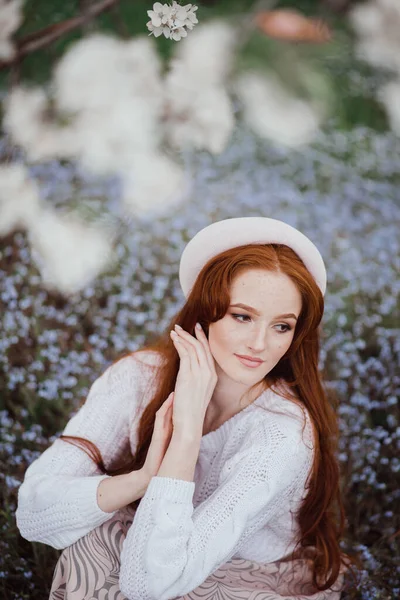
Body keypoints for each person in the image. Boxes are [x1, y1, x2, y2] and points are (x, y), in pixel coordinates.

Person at [16, 217, 358, 600]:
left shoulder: (280, 435)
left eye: (282, 326)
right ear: (204, 312)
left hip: (250, 574)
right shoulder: (139, 376)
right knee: (92, 540)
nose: (260, 344)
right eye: (242, 316)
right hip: (161, 547)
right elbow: (33, 515)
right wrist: (143, 478)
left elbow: (151, 584)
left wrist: (187, 431)